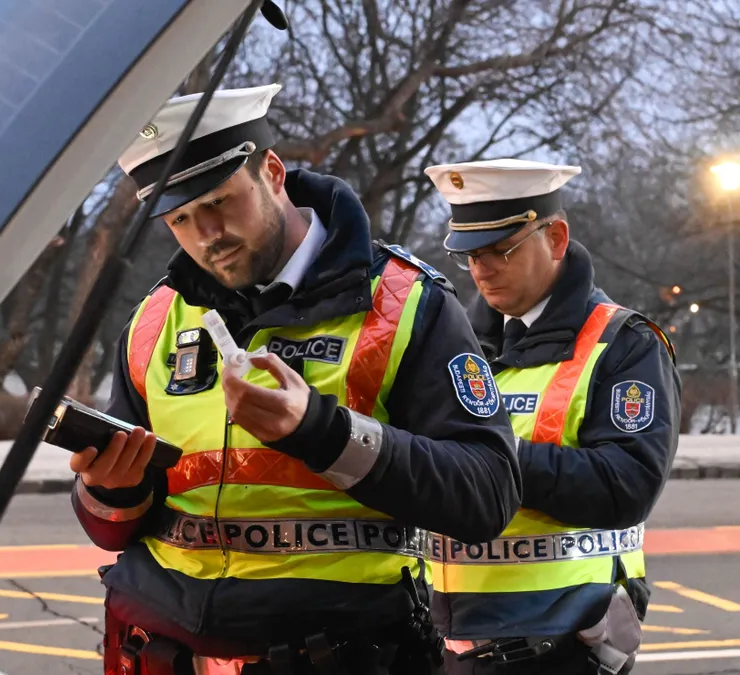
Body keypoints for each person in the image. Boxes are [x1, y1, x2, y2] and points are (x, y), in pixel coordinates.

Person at [67, 83, 522, 675]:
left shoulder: (407, 303)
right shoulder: (155, 319)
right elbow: (112, 531)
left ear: (273, 172)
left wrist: (321, 432)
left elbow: (486, 496)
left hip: (340, 653)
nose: (207, 235)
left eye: (220, 203)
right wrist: (111, 490)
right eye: (180, 218)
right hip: (158, 651)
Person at [421, 159, 681, 675]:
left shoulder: (624, 343)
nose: (481, 269)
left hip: (565, 650)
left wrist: (494, 460)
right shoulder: (453, 345)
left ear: (556, 237)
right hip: (449, 647)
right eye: (469, 254)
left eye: (500, 249)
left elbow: (627, 486)